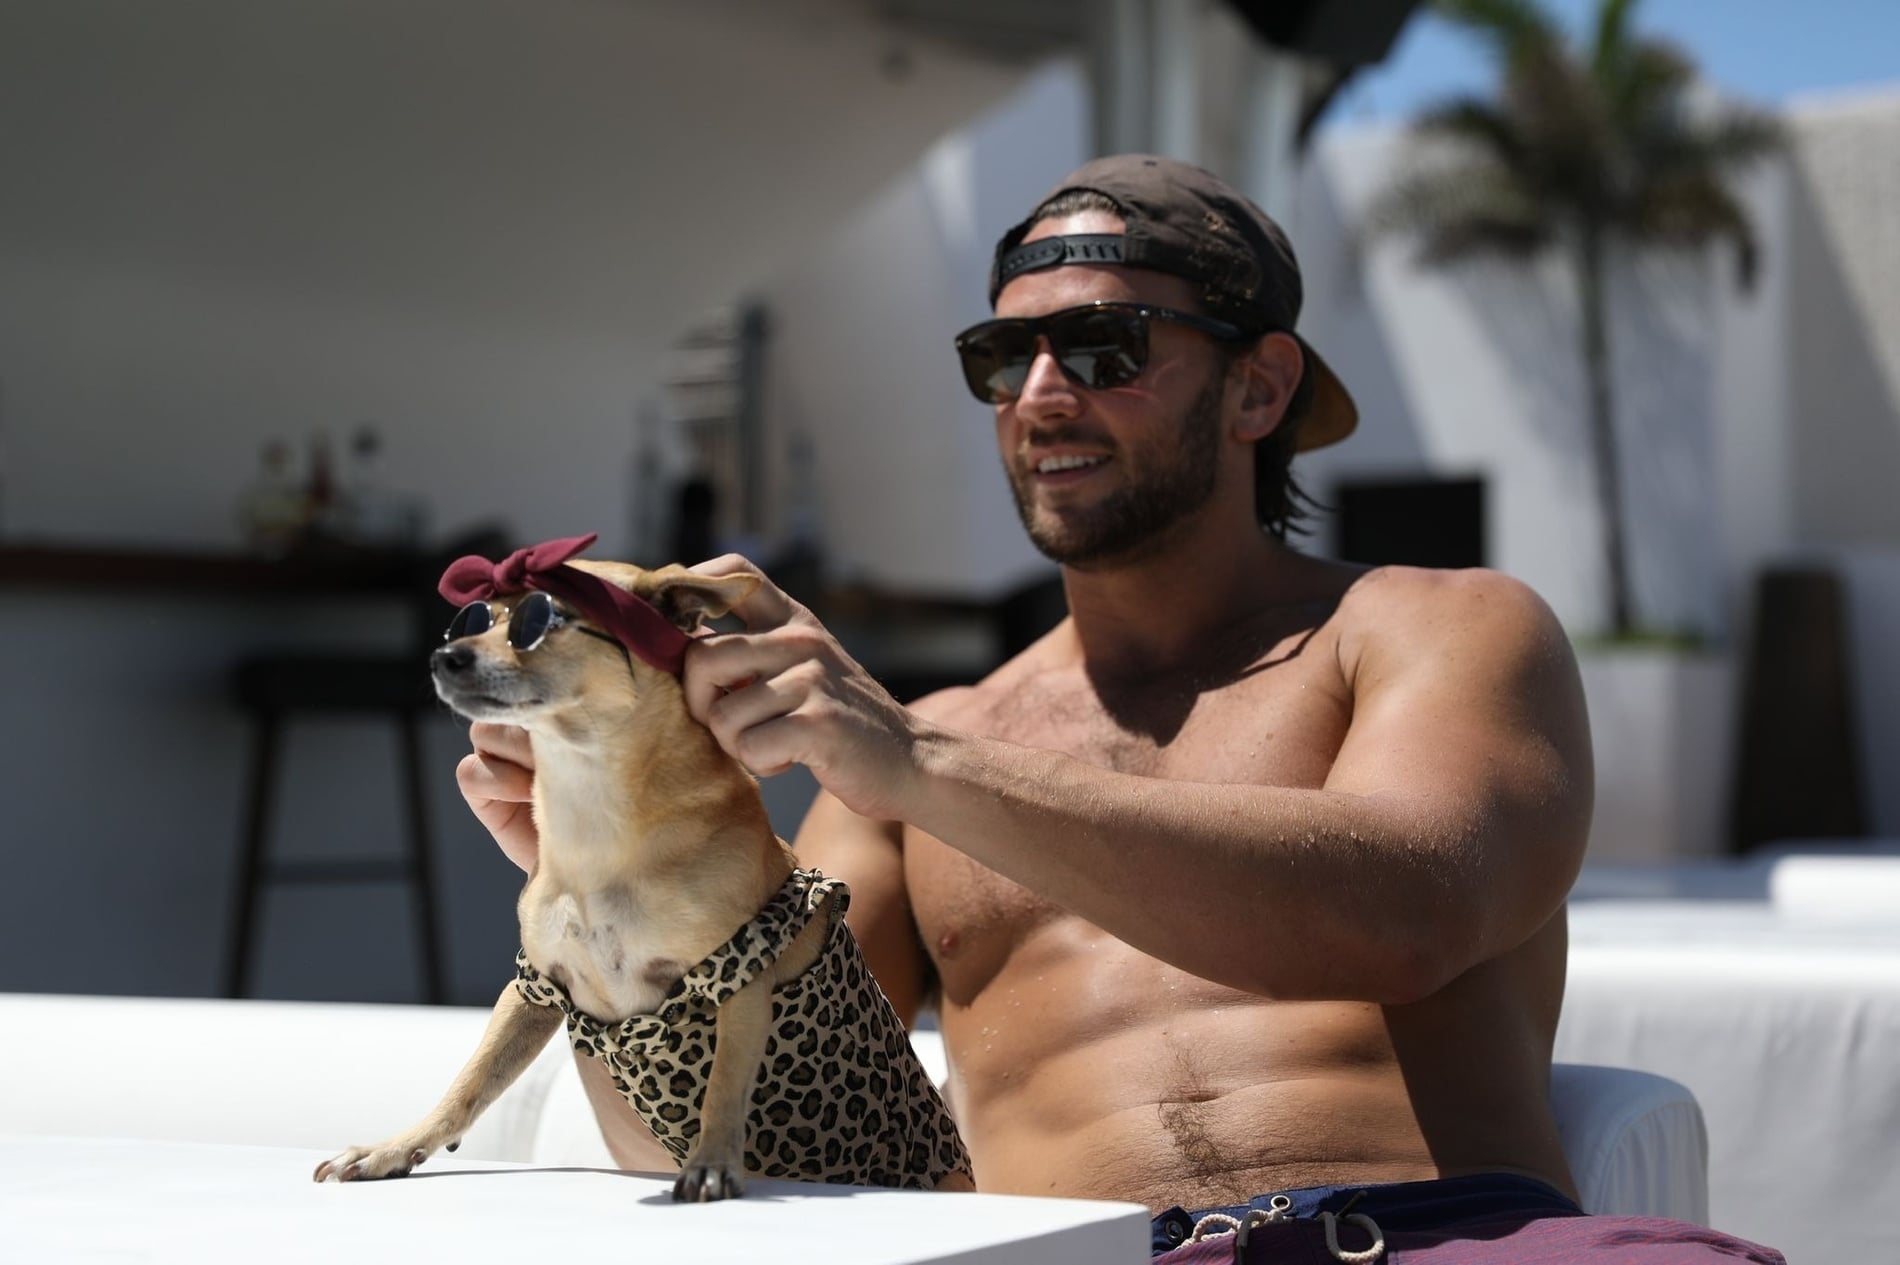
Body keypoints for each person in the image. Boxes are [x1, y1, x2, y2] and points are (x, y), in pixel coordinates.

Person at [456, 156, 1781, 1262]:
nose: (1039, 395)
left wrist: (919, 759)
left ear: (1259, 387)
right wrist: (614, 909)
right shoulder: (913, 753)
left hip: (1436, 1238)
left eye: (1103, 346)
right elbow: (768, 1129)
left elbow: (1407, 913)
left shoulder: (1434, 627)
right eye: (1003, 356)